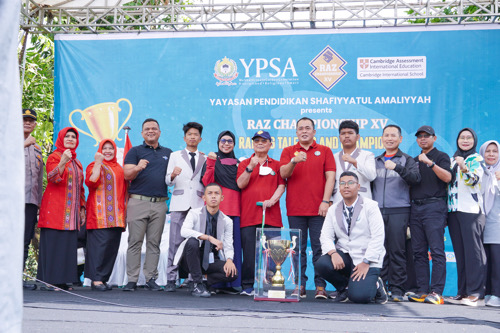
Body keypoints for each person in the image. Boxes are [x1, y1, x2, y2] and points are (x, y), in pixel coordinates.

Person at [279, 117, 336, 299]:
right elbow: (283, 174)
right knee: (297, 249)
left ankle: (320, 286)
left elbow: (331, 177)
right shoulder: (289, 151)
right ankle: (299, 285)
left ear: (314, 132)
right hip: (295, 209)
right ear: (296, 132)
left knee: (319, 248)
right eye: (300, 128)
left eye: (308, 128)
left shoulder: (325, 151)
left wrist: (325, 201)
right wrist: (294, 161)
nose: (304, 131)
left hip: (319, 209)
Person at [315, 171, 387, 304]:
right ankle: (345, 288)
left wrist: (366, 262)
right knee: (322, 263)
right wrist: (333, 253)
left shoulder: (370, 206)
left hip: (366, 258)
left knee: (360, 297)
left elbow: (378, 237)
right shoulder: (333, 209)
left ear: (358, 186)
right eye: (342, 183)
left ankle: (376, 285)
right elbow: (325, 235)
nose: (346, 186)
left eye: (350, 183)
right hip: (346, 256)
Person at [372, 125, 421, 301]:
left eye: (393, 135)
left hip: (399, 210)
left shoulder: (406, 159)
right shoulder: (375, 160)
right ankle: (380, 287)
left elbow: (415, 179)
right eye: (386, 135)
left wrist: (396, 167)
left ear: (400, 139)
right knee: (379, 251)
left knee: (397, 250)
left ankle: (398, 289)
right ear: (382, 138)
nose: (390, 138)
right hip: (377, 211)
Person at [123, 118, 172, 292]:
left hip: (159, 204)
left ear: (159, 132)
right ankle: (132, 279)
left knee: (154, 243)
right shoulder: (135, 152)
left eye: (154, 128)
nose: (151, 131)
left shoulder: (168, 153)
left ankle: (151, 278)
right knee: (134, 242)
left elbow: (171, 178)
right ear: (142, 133)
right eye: (147, 129)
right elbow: (127, 175)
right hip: (138, 202)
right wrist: (138, 168)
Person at [237, 130, 285, 296]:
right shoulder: (244, 164)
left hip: (271, 216)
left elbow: (281, 185)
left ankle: (272, 286)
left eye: (264, 141)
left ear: (270, 144)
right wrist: (251, 167)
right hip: (249, 216)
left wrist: (272, 200)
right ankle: (248, 285)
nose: (260, 143)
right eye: (256, 140)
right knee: (249, 254)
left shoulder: (277, 165)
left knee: (273, 254)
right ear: (252, 144)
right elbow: (240, 184)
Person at [37, 127, 86, 291]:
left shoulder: (77, 162)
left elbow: (80, 188)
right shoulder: (54, 157)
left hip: (71, 213)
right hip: (55, 210)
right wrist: (63, 161)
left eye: (73, 137)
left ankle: (63, 280)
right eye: (67, 136)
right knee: (54, 244)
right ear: (61, 139)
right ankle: (51, 281)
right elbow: (53, 178)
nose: (71, 139)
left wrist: (82, 208)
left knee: (67, 245)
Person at [408, 125, 451, 305]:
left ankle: (437, 292)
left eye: (427, 136)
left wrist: (430, 163)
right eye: (420, 136)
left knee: (437, 251)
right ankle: (423, 290)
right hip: (415, 208)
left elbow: (448, 178)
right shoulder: (413, 159)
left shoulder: (441, 157)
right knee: (418, 252)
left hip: (434, 206)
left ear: (434, 138)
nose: (423, 139)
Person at [173, 183, 238, 297]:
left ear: (222, 198)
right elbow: (184, 231)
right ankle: (198, 284)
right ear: (204, 198)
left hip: (211, 260)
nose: (213, 196)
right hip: (191, 258)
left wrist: (229, 260)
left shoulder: (227, 221)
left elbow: (228, 245)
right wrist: (208, 237)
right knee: (192, 242)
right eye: (210, 193)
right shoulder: (194, 213)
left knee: (232, 273)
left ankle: (200, 282)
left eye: (217, 193)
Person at [165, 122, 206, 292]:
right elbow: (167, 180)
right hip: (179, 203)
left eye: (195, 134)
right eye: (189, 134)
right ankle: (171, 278)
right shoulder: (175, 156)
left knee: (194, 243)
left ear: (200, 138)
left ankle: (192, 278)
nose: (192, 137)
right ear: (184, 137)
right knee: (174, 241)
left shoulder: (205, 157)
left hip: (197, 204)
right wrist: (173, 175)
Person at [447, 128, 485, 307]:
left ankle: (475, 292)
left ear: (474, 141)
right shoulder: (452, 159)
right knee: (460, 253)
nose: (465, 140)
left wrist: (463, 166)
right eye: (462, 137)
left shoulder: (476, 159)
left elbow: (473, 181)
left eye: (469, 138)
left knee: (473, 253)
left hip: (471, 210)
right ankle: (462, 291)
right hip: (453, 211)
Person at [201, 130, 242, 294]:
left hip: (235, 210)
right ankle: (215, 283)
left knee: (234, 247)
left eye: (230, 141)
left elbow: (242, 185)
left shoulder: (239, 163)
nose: (226, 143)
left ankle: (233, 282)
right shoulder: (212, 159)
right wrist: (211, 162)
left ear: (234, 144)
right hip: (215, 212)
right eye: (223, 141)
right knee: (215, 249)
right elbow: (206, 182)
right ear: (218, 143)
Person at [85, 139, 127, 291]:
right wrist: (97, 162)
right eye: (105, 148)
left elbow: (124, 192)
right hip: (99, 215)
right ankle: (96, 280)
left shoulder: (119, 169)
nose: (108, 151)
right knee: (99, 248)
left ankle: (103, 279)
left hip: (116, 216)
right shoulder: (94, 165)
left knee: (111, 248)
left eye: (111, 149)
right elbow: (91, 181)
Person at [22, 109, 44, 290]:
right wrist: (22, 144)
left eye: (31, 121)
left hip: (30, 201)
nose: (28, 123)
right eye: (24, 120)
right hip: (11, 200)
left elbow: (38, 178)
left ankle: (17, 278)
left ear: (35, 124)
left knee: (25, 240)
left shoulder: (37, 148)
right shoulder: (8, 142)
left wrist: (40, 204)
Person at [331, 120, 376, 203]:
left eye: (350, 133)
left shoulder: (367, 155)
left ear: (357, 137)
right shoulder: (334, 157)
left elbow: (371, 176)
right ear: (339, 137)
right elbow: (329, 181)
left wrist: (355, 163)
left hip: (362, 200)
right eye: (343, 133)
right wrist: (330, 200)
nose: (347, 136)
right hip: (339, 201)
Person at [480, 140, 500, 307]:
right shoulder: (480, 172)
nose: (491, 154)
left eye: (495, 151)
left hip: (497, 223)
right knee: (484, 260)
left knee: (496, 260)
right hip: (481, 223)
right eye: (488, 151)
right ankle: (487, 292)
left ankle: (497, 294)